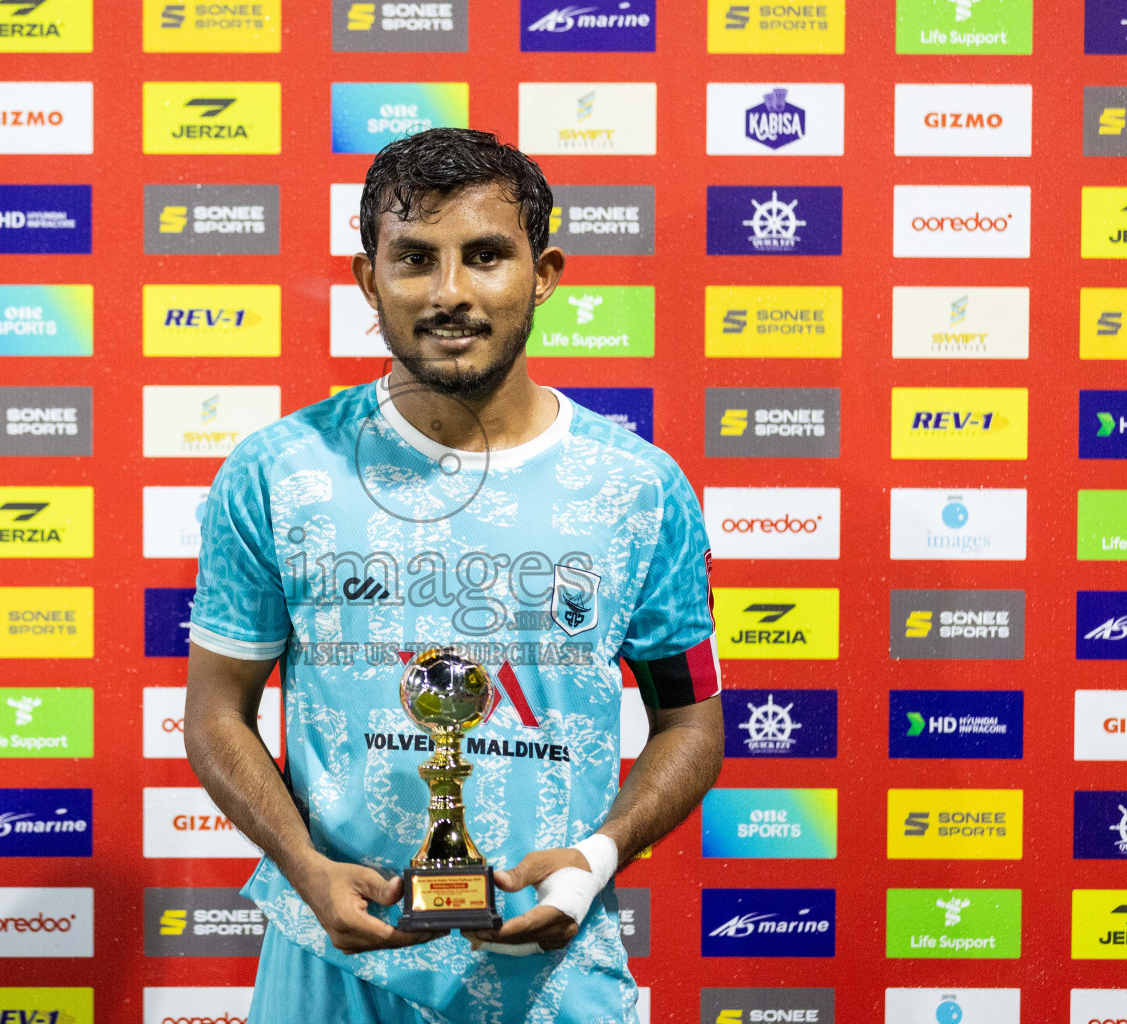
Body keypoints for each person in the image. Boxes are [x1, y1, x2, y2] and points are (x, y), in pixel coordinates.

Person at [185, 127, 724, 1024]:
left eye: (485, 257)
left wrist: (598, 858)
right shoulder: (279, 470)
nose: (449, 294)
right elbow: (214, 711)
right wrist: (302, 864)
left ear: (543, 272)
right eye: (414, 259)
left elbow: (692, 718)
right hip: (333, 969)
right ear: (368, 280)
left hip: (554, 981)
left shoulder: (639, 487)